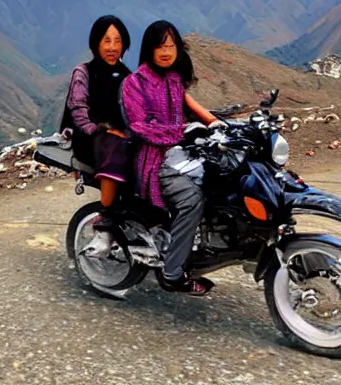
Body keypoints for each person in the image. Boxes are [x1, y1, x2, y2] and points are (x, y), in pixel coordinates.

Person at [121, 20, 225, 295]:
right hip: (152, 162)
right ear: (149, 49)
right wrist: (181, 133)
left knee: (224, 178)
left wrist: (216, 124)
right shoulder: (135, 82)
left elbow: (187, 107)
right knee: (192, 199)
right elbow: (139, 126)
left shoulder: (175, 78)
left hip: (182, 154)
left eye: (171, 46)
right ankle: (172, 273)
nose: (166, 52)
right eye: (160, 46)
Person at [60, 15, 132, 253]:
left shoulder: (128, 75)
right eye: (106, 40)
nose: (112, 47)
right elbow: (78, 111)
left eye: (117, 40)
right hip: (90, 138)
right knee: (115, 145)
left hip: (120, 136)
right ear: (96, 44)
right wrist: (102, 129)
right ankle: (106, 220)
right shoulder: (83, 72)